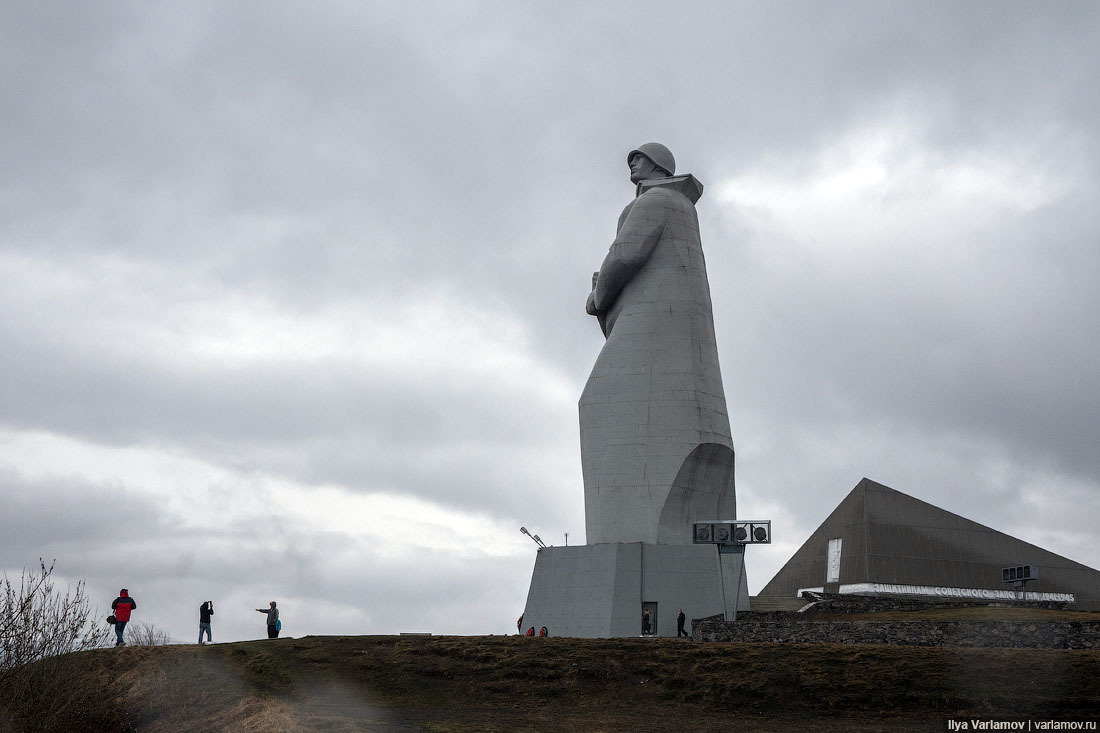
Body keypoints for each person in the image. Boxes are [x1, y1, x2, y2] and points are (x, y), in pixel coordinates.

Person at [581, 143, 736, 546]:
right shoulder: (684, 208)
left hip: (653, 329)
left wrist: (598, 295)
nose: (631, 162)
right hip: (676, 335)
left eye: (639, 157)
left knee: (600, 400)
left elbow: (625, 255)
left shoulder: (656, 202)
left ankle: (624, 535)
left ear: (658, 165)